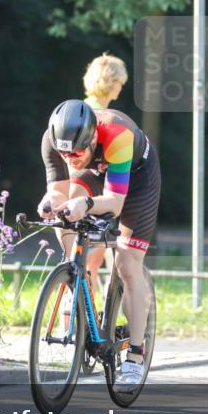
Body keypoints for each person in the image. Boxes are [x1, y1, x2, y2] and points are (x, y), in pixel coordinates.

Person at [38, 99, 160, 390]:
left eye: (77, 152)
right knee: (65, 216)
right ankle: (76, 281)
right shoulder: (54, 142)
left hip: (138, 177)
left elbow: (115, 204)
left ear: (93, 138)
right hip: (95, 171)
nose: (70, 159)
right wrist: (51, 205)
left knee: (127, 263)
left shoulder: (118, 136)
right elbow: (56, 194)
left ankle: (135, 356)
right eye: (64, 153)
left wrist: (87, 202)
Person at [80, 54, 129, 291]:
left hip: (79, 190)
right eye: (120, 82)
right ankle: (84, 322)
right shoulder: (99, 115)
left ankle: (77, 318)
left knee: (80, 262)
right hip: (92, 192)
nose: (121, 87)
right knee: (91, 262)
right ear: (111, 82)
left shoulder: (83, 108)